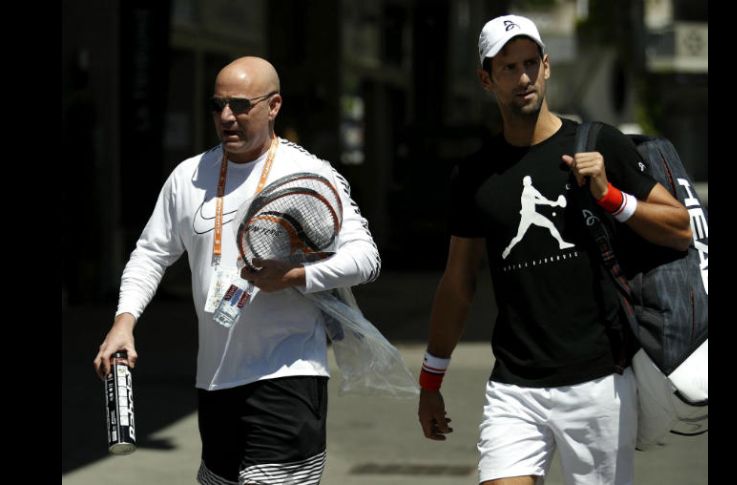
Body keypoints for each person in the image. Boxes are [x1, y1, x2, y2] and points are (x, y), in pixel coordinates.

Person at [417, 14, 692, 485]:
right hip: (514, 386)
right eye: (508, 68)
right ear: (487, 79)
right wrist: (431, 379)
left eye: (530, 64)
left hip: (598, 383)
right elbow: (458, 282)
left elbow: (679, 227)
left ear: (546, 67)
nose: (522, 77)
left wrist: (611, 196)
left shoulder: (599, 142)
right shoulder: (474, 174)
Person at [94, 56, 381, 485]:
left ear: (274, 106)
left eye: (241, 105)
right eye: (218, 105)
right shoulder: (188, 176)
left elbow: (365, 259)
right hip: (215, 382)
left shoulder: (310, 175)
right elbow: (151, 254)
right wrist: (124, 321)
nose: (227, 117)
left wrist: (293, 276)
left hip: (288, 375)